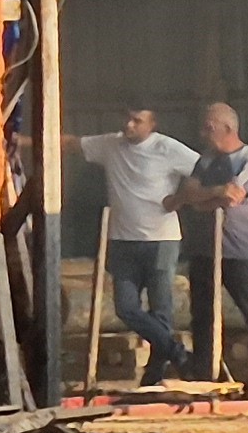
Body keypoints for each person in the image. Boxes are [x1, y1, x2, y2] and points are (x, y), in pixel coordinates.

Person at [77, 107, 198, 384]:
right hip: (123, 241)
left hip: (161, 240)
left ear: (152, 124)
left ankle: (153, 376)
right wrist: (21, 141)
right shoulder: (110, 144)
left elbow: (202, 170)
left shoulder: (166, 148)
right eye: (127, 119)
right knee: (125, 307)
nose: (129, 125)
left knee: (160, 309)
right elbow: (73, 143)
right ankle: (177, 353)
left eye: (137, 121)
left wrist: (179, 199)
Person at [178, 101, 248, 383]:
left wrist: (208, 198)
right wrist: (216, 193)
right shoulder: (205, 159)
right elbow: (189, 196)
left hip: (240, 249)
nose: (204, 133)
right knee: (202, 314)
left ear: (228, 128)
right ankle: (204, 373)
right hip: (205, 249)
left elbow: (235, 196)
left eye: (210, 127)